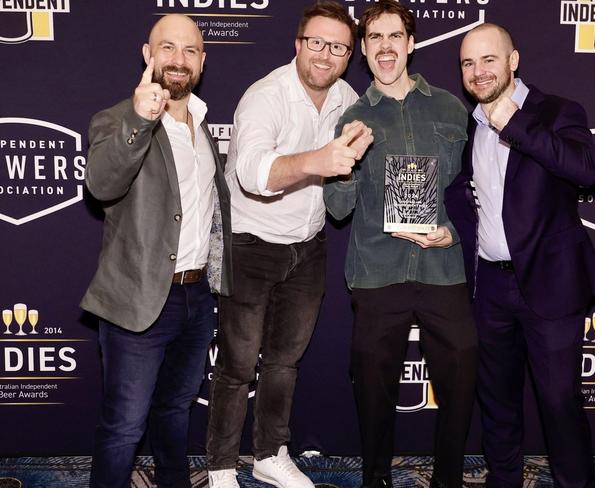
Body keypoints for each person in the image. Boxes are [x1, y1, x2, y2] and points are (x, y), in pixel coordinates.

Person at [205, 2, 372, 488]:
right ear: (298, 44)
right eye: (316, 43)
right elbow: (253, 174)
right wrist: (318, 160)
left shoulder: (346, 96)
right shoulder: (265, 96)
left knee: (284, 362)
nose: (326, 55)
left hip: (308, 246)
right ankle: (219, 466)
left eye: (338, 47)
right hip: (251, 245)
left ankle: (269, 454)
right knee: (237, 365)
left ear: (348, 56)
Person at [445, 23, 595, 488]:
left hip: (551, 283)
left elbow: (585, 170)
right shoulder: (468, 123)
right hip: (490, 287)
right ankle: (504, 480)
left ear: (513, 60)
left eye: (488, 59)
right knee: (496, 400)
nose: (477, 72)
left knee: (559, 402)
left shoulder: (556, 111)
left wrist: (512, 123)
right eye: (468, 63)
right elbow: (465, 191)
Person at [324, 2, 478, 487]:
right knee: (372, 389)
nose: (386, 48)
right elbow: (337, 208)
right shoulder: (351, 116)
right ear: (364, 50)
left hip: (443, 268)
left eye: (395, 37)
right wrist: (345, 162)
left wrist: (453, 229)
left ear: (411, 44)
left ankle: (448, 478)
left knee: (462, 375)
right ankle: (376, 478)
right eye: (375, 38)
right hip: (377, 271)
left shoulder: (452, 108)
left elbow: (472, 189)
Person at [80, 14, 232, 488]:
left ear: (202, 62)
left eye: (190, 51)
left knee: (175, 411)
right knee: (124, 427)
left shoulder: (204, 128)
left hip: (196, 299)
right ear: (148, 56)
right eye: (167, 48)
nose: (178, 60)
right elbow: (101, 184)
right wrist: (140, 119)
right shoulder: (116, 119)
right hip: (137, 300)